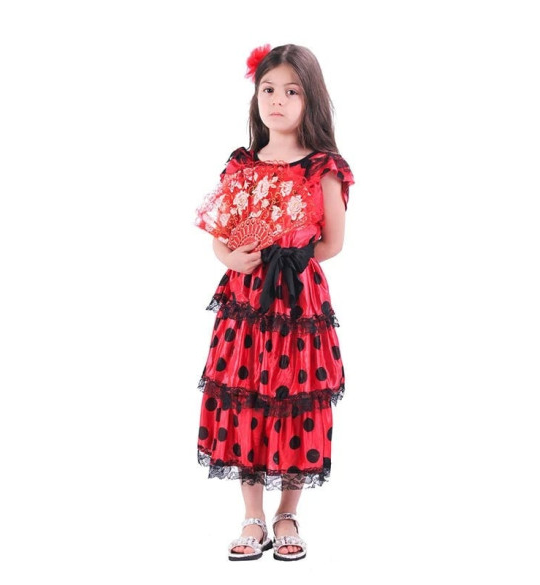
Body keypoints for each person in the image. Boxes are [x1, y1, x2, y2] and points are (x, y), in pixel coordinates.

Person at [194, 43, 355, 562]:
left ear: (312, 100)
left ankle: (287, 511)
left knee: (294, 398)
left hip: (297, 301)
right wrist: (232, 256)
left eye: (291, 91)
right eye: (268, 89)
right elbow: (221, 235)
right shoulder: (241, 166)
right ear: (255, 96)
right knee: (243, 394)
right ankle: (252, 515)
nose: (277, 101)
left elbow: (332, 243)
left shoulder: (323, 168)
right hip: (244, 300)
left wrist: (290, 258)